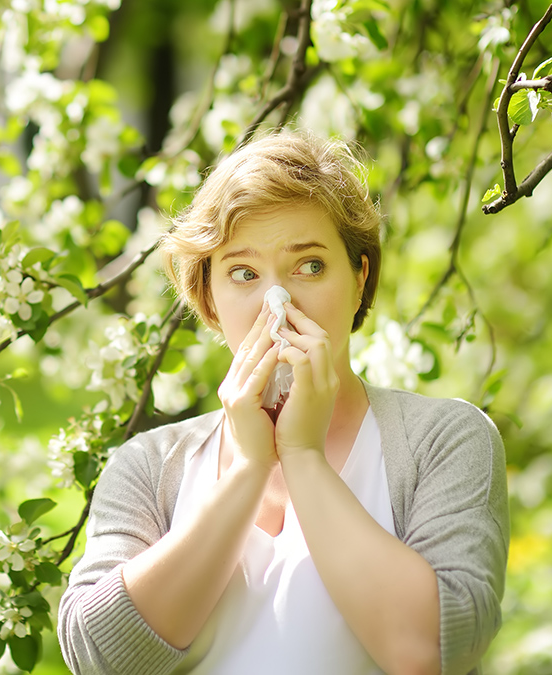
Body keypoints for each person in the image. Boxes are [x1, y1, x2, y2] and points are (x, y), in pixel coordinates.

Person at [57, 131, 509, 675]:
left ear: (360, 279)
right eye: (244, 273)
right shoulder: (152, 466)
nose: (278, 303)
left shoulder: (444, 439)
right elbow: (100, 657)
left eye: (310, 266)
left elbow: (435, 651)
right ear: (209, 298)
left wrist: (301, 454)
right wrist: (249, 468)